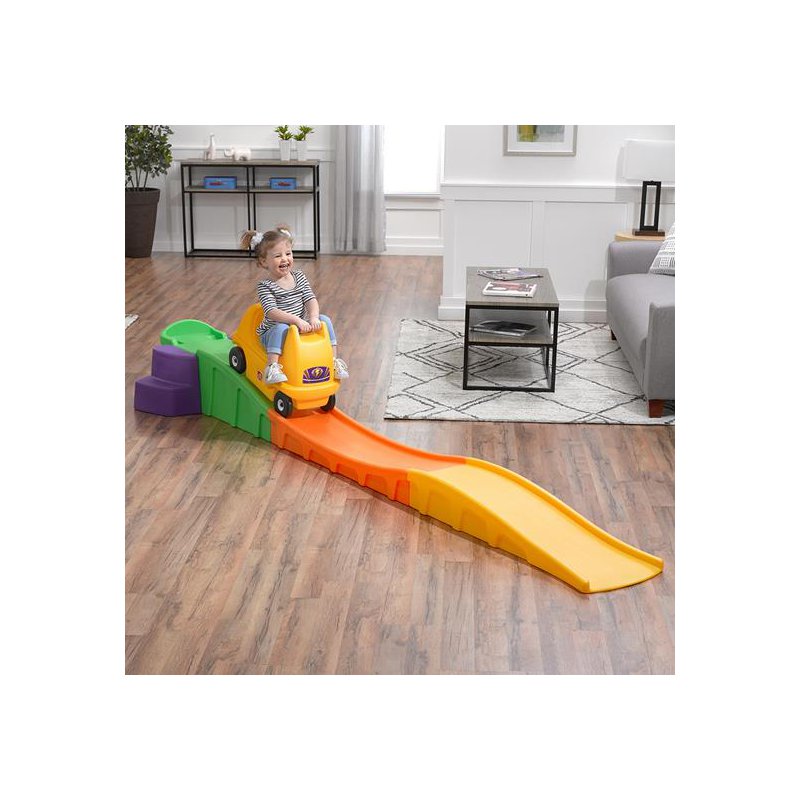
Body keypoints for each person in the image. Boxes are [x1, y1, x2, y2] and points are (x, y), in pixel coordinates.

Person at [240, 225, 349, 384]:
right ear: (264, 261)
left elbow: (310, 299)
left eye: (288, 253)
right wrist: (296, 320)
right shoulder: (265, 286)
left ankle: (333, 361)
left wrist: (313, 317)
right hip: (273, 332)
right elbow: (271, 311)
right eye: (278, 256)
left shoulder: (299, 277)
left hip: (299, 327)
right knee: (281, 328)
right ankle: (272, 367)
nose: (285, 259)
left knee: (325, 319)